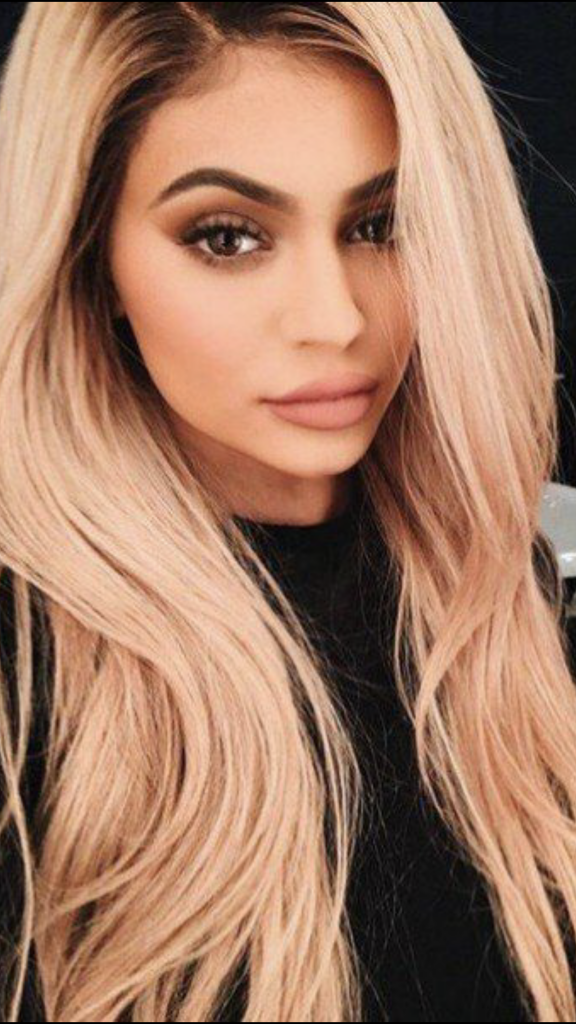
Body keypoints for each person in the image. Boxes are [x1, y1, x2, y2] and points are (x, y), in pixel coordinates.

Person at [0, 3, 573, 1021]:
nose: (335, 319)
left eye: (379, 225)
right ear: (93, 259)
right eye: (228, 237)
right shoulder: (29, 671)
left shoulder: (512, 588)